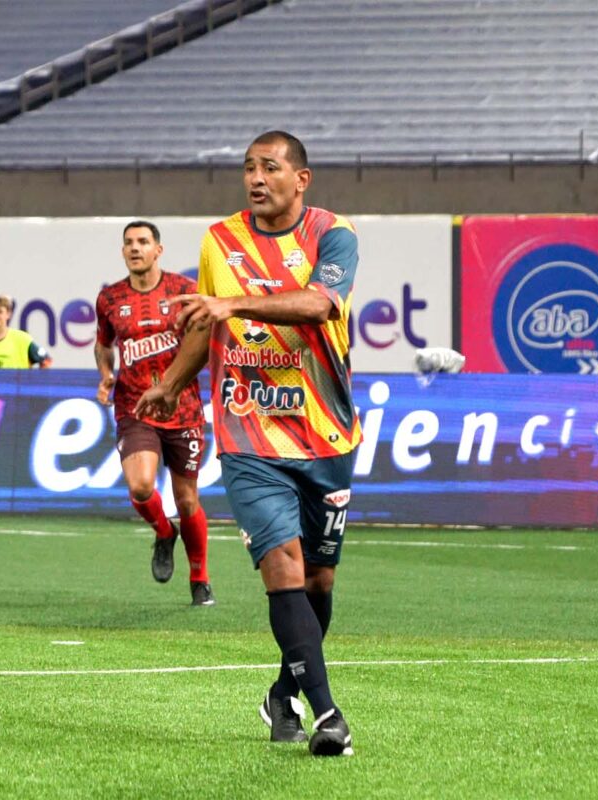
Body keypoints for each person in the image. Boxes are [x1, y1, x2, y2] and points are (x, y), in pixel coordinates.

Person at [135, 131, 360, 756]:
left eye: (269, 167)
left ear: (301, 179)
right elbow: (207, 331)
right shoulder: (219, 241)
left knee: (318, 580)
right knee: (282, 567)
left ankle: (282, 692)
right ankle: (328, 716)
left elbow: (320, 306)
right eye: (248, 169)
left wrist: (232, 302)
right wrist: (171, 383)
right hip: (248, 430)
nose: (256, 178)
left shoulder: (334, 235)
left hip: (326, 432)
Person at [95, 220, 214, 606]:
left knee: (188, 500)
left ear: (158, 250)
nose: (135, 248)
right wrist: (105, 373)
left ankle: (200, 578)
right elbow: (103, 343)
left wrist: (177, 384)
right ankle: (164, 533)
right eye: (129, 242)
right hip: (135, 406)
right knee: (141, 486)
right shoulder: (110, 299)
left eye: (143, 241)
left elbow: (201, 344)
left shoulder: (184, 291)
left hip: (184, 409)